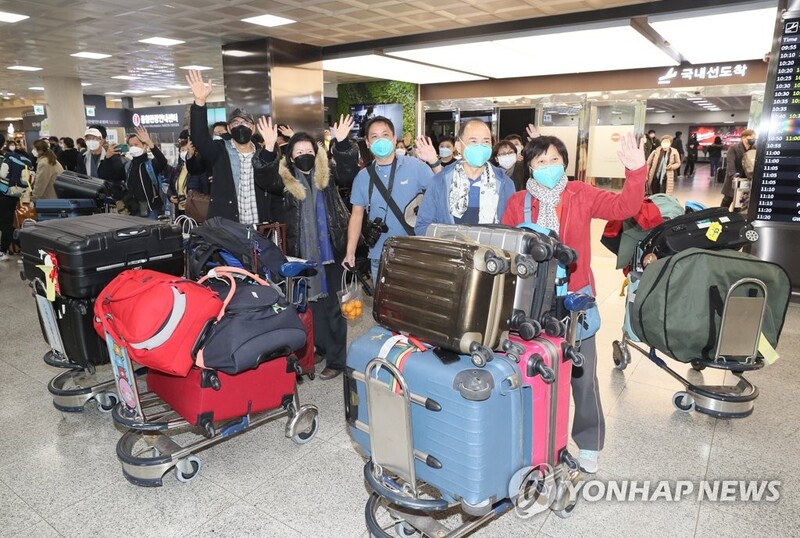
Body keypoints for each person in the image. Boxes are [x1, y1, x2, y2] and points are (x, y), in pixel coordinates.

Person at [501, 130, 647, 474]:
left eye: (555, 159)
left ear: (565, 163)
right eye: (541, 160)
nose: (549, 165)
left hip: (576, 300)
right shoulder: (518, 202)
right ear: (530, 166)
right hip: (531, 303)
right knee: (531, 373)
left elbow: (625, 206)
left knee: (582, 376)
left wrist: (636, 172)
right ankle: (534, 441)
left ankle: (589, 442)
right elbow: (505, 245)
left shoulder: (579, 193)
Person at [260, 115, 360, 381]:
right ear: (291, 157)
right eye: (298, 151)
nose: (304, 154)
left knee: (335, 308)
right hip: (302, 255)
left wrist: (342, 143)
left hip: (332, 250)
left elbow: (349, 170)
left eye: (308, 150)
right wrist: (269, 148)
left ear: (316, 153)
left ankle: (337, 359)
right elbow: (264, 177)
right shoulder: (284, 180)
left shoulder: (327, 174)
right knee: (313, 307)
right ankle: (320, 348)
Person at [343, 116, 440, 282]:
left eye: (385, 135)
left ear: (395, 139)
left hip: (415, 252)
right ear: (367, 143)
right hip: (380, 255)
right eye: (374, 136)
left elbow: (443, 190)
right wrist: (350, 252)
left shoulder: (416, 167)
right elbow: (357, 215)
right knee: (384, 306)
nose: (381, 140)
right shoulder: (363, 177)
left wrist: (434, 162)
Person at [186, 69, 273, 225]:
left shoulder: (262, 156)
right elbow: (199, 139)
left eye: (245, 123)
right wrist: (199, 102)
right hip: (228, 228)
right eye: (235, 123)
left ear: (253, 128)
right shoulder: (219, 151)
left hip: (260, 229)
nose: (241, 126)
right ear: (229, 128)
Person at [416, 120, 516, 235]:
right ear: (459, 146)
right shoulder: (440, 182)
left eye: (486, 142)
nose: (480, 147)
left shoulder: (504, 183)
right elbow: (422, 226)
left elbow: (512, 231)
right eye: (473, 141)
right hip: (451, 251)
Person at [0, 133, 33, 262]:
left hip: (4, 195)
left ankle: (4, 250)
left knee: (6, 223)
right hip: (10, 194)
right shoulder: (7, 156)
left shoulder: (4, 158)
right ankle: (19, 244)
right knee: (6, 222)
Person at [75, 126, 126, 199]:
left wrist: (108, 159)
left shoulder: (113, 156)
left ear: (102, 140)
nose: (90, 141)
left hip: (108, 197)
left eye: (94, 138)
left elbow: (117, 177)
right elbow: (80, 176)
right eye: (88, 138)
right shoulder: (82, 156)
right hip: (89, 195)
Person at [721, 129, 756, 209]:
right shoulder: (734, 148)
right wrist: (733, 175)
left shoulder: (754, 148)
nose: (753, 140)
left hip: (747, 178)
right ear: (743, 138)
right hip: (735, 177)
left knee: (741, 202)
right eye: (751, 137)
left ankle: (737, 218)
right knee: (728, 199)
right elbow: (730, 163)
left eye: (754, 138)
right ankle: (720, 215)